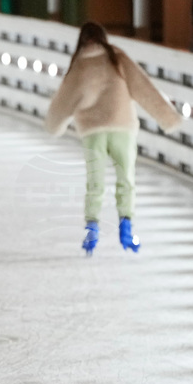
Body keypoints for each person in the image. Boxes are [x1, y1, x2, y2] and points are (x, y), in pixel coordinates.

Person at [44, 22, 182, 255]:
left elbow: (62, 103)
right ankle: (126, 228)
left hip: (92, 132)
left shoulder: (78, 66)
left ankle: (92, 230)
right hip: (122, 127)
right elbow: (144, 88)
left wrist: (53, 127)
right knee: (126, 179)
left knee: (95, 182)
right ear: (103, 38)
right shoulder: (117, 57)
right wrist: (168, 118)